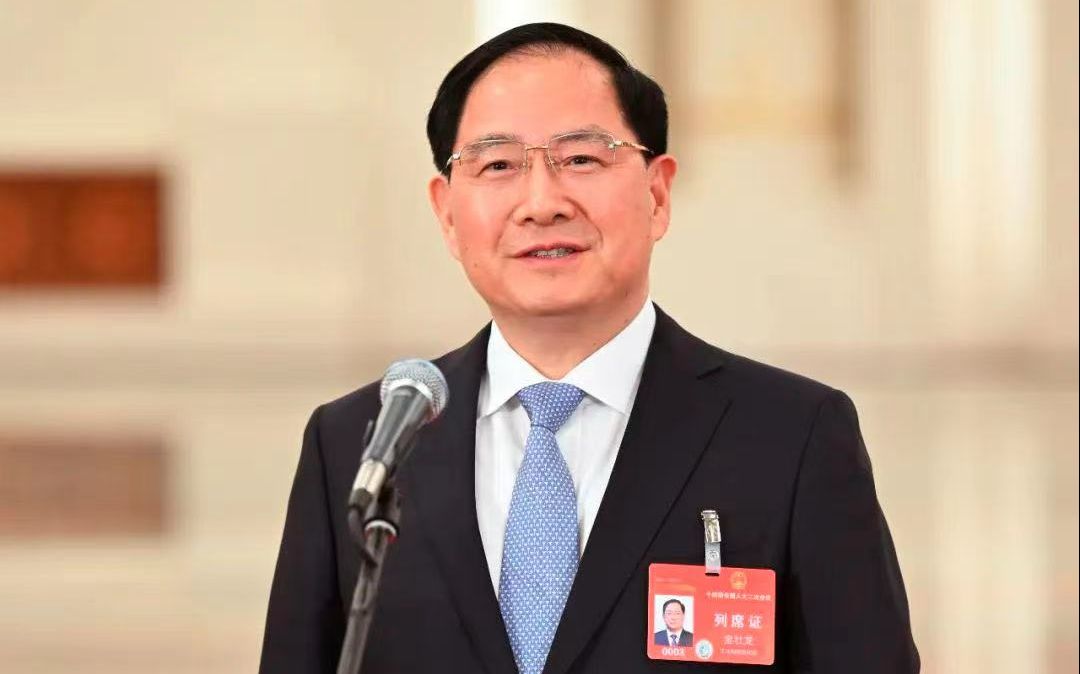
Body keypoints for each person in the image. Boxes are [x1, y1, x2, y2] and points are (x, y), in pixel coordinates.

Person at [259, 22, 920, 674]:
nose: (542, 203)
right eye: (497, 165)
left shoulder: (792, 437)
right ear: (448, 215)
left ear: (656, 194)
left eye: (580, 159)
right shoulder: (356, 447)